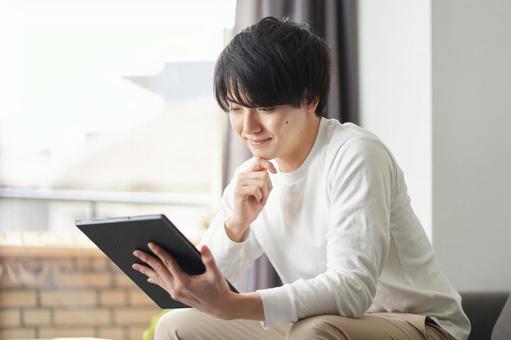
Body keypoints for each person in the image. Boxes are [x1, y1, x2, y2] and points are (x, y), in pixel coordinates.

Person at [132, 16, 471, 340]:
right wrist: (236, 224)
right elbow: (210, 287)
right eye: (236, 109)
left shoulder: (355, 154)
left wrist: (236, 306)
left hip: (420, 326)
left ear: (309, 98)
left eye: (264, 108)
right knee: (176, 327)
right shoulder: (251, 176)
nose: (248, 128)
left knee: (314, 332)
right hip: (324, 324)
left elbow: (352, 289)